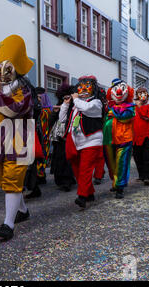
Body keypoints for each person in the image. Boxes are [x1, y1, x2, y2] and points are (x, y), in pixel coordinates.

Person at [0, 35, 34, 240]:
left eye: (7, 67)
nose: (2, 72)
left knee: (12, 178)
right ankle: (22, 211)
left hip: (18, 140)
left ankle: (8, 224)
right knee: (3, 178)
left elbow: (15, 110)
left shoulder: (24, 90)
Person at [59, 76, 104, 209]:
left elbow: (87, 108)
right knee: (77, 169)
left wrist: (75, 99)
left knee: (85, 169)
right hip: (76, 142)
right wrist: (66, 104)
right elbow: (62, 118)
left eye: (87, 86)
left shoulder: (96, 103)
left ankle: (82, 197)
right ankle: (89, 193)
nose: (83, 89)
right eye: (80, 87)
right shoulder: (76, 104)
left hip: (92, 141)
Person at [104, 79, 135, 199]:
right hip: (109, 139)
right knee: (111, 163)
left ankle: (120, 187)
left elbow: (125, 117)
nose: (118, 91)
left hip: (124, 139)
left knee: (121, 162)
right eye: (115, 89)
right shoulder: (110, 107)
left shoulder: (130, 107)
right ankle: (115, 182)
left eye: (122, 88)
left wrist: (114, 112)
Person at [49, 84, 76, 192]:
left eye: (67, 97)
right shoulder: (59, 105)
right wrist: (54, 113)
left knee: (67, 159)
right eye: (63, 97)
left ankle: (67, 181)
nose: (65, 99)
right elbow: (51, 122)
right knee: (58, 159)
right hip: (57, 138)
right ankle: (60, 179)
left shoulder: (74, 108)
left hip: (68, 137)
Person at [132, 87, 149, 186]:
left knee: (148, 156)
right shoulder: (134, 106)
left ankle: (148, 177)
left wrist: (139, 107)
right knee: (137, 156)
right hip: (136, 136)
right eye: (139, 94)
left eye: (144, 93)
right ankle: (142, 175)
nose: (142, 95)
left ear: (147, 94)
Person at [36, 87, 52, 185]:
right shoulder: (44, 111)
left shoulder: (45, 112)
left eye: (40, 97)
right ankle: (40, 175)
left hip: (43, 139)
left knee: (42, 156)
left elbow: (46, 128)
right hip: (40, 138)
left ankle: (41, 176)